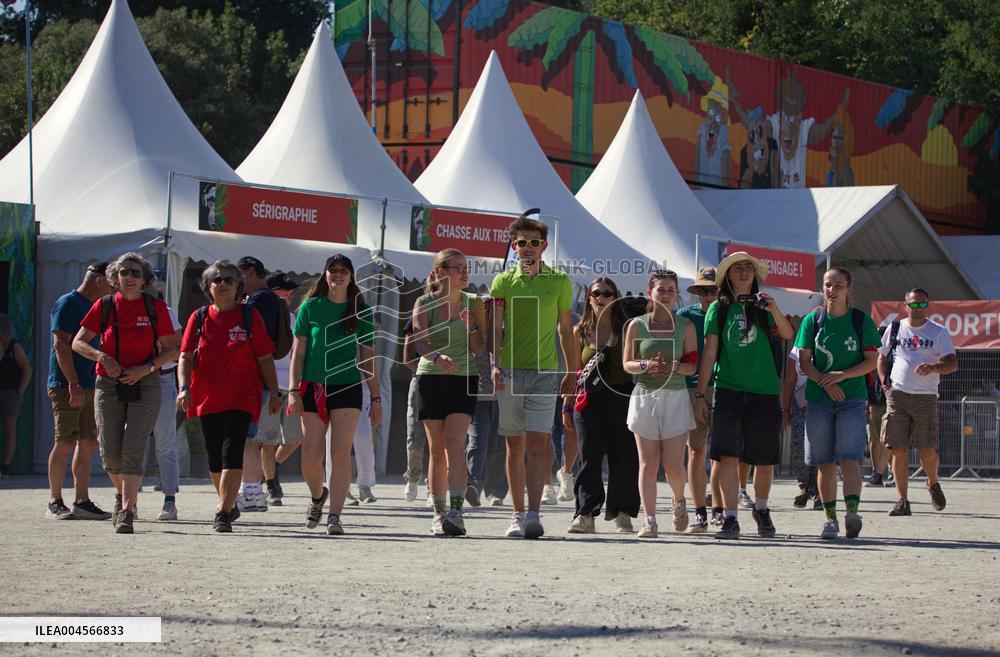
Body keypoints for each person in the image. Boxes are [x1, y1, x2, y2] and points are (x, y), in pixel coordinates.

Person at [72, 253, 179, 534]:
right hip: (108, 382)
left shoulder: (156, 307)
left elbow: (174, 348)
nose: (129, 277)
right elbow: (77, 342)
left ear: (144, 279)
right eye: (124, 272)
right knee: (109, 451)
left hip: (146, 382)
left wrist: (146, 368)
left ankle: (127, 509)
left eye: (135, 273)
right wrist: (102, 357)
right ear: (115, 278)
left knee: (134, 446)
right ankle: (123, 495)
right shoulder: (104, 305)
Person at [694, 252, 794, 539]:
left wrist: (773, 309)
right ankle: (730, 516)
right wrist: (701, 394)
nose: (743, 272)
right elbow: (710, 352)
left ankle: (761, 509)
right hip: (728, 389)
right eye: (737, 268)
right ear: (727, 275)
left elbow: (787, 334)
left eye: (747, 268)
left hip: (764, 390)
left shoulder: (765, 305)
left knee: (764, 460)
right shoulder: (718, 309)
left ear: (755, 274)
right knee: (727, 456)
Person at [489, 215, 578, 539]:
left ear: (544, 245)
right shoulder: (502, 282)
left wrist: (571, 371)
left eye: (534, 243)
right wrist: (493, 364)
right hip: (510, 371)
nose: (528, 249)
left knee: (539, 444)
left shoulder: (559, 281)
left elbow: (565, 330)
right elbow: (496, 328)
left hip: (544, 373)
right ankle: (516, 514)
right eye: (522, 243)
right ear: (514, 247)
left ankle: (534, 514)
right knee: (515, 445)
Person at [176, 260, 281, 532]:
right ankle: (229, 502)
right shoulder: (198, 318)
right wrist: (184, 387)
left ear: (238, 287)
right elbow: (185, 356)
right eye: (217, 280)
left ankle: (222, 513)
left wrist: (276, 391)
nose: (222, 284)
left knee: (231, 452)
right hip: (206, 397)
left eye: (229, 280)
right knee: (214, 458)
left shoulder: (249, 316)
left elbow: (265, 358)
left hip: (242, 397)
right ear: (208, 287)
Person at [287, 254, 381, 535]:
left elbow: (367, 359)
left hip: (348, 387)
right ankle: (318, 497)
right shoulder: (311, 307)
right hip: (312, 387)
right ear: (325, 275)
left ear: (351, 277)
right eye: (333, 270)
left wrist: (376, 398)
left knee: (340, 453)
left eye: (343, 271)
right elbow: (298, 352)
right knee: (310, 458)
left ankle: (335, 516)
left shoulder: (361, 311)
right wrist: (293, 390)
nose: (337, 275)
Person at [795, 268, 880, 539]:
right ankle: (830, 519)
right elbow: (804, 362)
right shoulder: (812, 320)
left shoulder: (860, 320)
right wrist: (825, 382)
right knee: (824, 463)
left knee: (850, 460)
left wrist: (842, 376)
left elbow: (871, 360)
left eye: (839, 285)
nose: (832, 290)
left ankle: (852, 513)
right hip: (819, 400)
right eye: (828, 285)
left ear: (849, 289)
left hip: (852, 399)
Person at [412, 249, 486, 535]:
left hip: (464, 377)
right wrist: (437, 357)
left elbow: (480, 348)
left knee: (455, 444)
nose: (466, 273)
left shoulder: (474, 302)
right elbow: (420, 343)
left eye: (467, 268)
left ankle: (456, 512)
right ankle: (438, 512)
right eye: (459, 268)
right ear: (442, 272)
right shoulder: (424, 302)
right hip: (430, 377)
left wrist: (471, 327)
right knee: (437, 449)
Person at [623, 271, 698, 538]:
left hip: (676, 397)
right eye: (660, 289)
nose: (665, 294)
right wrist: (646, 364)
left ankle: (679, 501)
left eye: (670, 290)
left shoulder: (685, 327)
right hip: (645, 395)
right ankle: (650, 520)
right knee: (648, 463)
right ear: (650, 293)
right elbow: (627, 363)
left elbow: (692, 366)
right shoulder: (636, 325)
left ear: (677, 294)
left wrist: (675, 366)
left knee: (674, 465)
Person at [566, 277, 640, 534]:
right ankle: (585, 513)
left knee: (624, 457)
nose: (602, 298)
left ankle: (623, 513)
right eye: (597, 293)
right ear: (589, 298)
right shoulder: (580, 331)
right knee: (589, 456)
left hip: (622, 396)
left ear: (615, 298)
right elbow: (574, 372)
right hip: (588, 400)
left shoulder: (627, 328)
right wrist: (567, 406)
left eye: (608, 294)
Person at [878, 288, 957, 517]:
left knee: (927, 449)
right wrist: (885, 384)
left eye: (923, 304)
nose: (918, 309)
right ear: (906, 306)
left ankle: (933, 483)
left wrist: (933, 368)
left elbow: (952, 364)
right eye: (914, 304)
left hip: (926, 397)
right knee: (897, 449)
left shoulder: (938, 332)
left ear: (928, 306)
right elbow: (882, 357)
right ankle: (902, 500)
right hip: (898, 394)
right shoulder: (895, 328)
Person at [45, 263, 113, 520]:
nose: (113, 287)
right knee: (64, 441)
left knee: (87, 443)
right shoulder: (68, 303)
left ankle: (82, 501)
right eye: (111, 282)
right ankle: (55, 500)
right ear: (98, 280)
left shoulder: (96, 306)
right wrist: (72, 382)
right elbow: (61, 345)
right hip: (66, 385)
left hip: (89, 383)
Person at [236, 256, 281, 512]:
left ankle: (252, 492)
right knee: (250, 437)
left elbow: (253, 342)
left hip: (254, 379)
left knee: (248, 438)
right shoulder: (267, 299)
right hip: (259, 379)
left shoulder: (260, 300)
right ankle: (251, 490)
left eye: (236, 276)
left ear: (251, 272)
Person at [677, 266, 718, 532]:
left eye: (712, 289)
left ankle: (720, 508)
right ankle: (700, 510)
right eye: (702, 289)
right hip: (692, 388)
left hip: (726, 385)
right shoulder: (685, 315)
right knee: (697, 450)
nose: (707, 294)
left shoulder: (730, 313)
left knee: (723, 454)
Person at [258, 270, 302, 505]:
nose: (291, 294)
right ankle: (272, 483)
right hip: (269, 385)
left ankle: (271, 467)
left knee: (295, 438)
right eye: (287, 290)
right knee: (269, 438)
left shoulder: (294, 319)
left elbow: (299, 354)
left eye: (291, 291)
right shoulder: (261, 318)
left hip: (292, 387)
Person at [147, 299, 183, 520]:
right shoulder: (114, 308)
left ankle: (169, 499)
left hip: (162, 378)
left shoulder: (165, 312)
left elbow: (179, 349)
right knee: (131, 442)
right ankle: (126, 501)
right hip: (130, 379)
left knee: (165, 443)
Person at [784, 346, 819, 509]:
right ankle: (805, 487)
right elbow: (790, 381)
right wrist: (785, 411)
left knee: (820, 447)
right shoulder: (796, 351)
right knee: (798, 446)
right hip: (800, 403)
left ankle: (818, 490)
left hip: (823, 401)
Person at [401, 318, 429, 504]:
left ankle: (435, 487)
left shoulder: (457, 312)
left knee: (444, 440)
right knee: (415, 435)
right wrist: (423, 372)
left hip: (450, 380)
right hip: (421, 379)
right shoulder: (419, 314)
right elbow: (407, 358)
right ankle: (412, 477)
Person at [0, 314, 32, 478]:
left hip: (10, 392)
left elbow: (27, 368)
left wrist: (20, 391)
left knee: (9, 428)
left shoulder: (14, 346)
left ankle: (5, 466)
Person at [866, 326, 890, 487]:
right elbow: (868, 378)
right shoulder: (870, 355)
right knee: (874, 439)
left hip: (889, 400)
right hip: (874, 400)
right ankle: (876, 472)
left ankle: (886, 472)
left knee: (888, 438)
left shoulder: (892, 355)